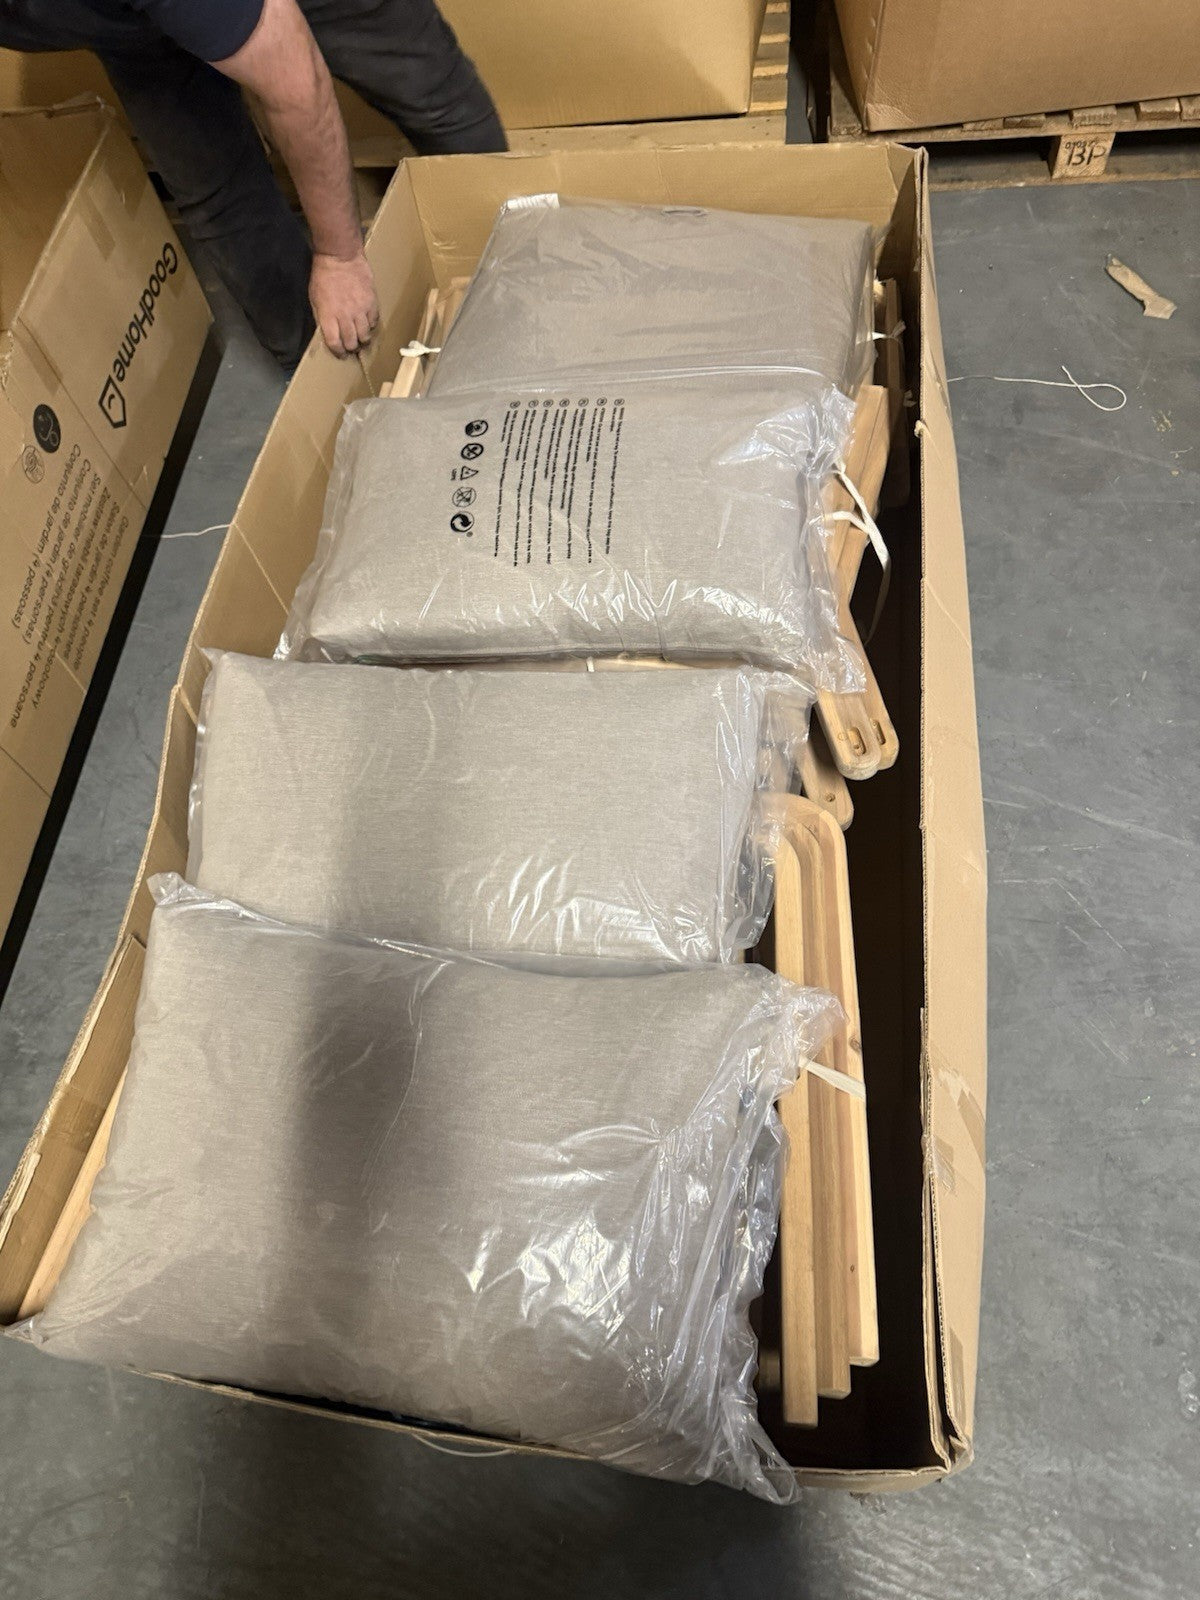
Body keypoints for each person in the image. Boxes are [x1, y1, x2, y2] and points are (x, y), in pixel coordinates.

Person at [0, 0, 506, 364]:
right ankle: (327, 379)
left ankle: (513, 274)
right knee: (219, 197)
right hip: (126, 22)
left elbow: (296, 87)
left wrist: (340, 256)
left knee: (429, 89)